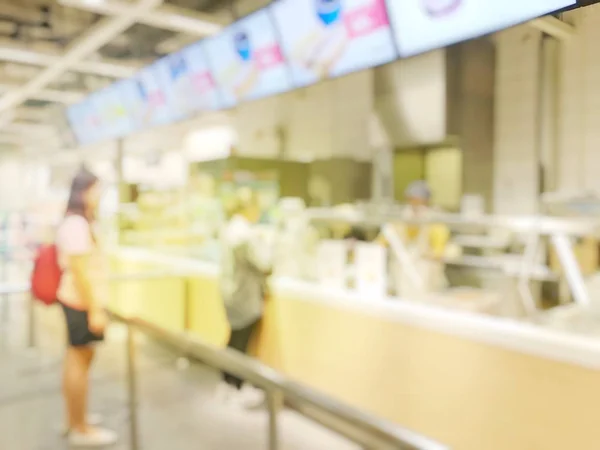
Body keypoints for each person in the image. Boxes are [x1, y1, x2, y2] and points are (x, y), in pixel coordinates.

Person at [57, 167, 117, 447]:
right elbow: (81, 272)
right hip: (80, 302)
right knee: (78, 362)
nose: (99, 195)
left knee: (79, 360)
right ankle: (79, 427)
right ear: (83, 191)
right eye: (96, 189)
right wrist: (94, 308)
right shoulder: (77, 225)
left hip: (77, 301)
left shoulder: (77, 222)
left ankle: (76, 418)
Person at [218, 189, 272, 406]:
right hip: (244, 296)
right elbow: (264, 263)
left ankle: (228, 384)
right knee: (240, 343)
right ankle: (236, 386)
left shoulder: (230, 229)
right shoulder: (244, 235)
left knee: (234, 340)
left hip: (231, 293)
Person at [379, 181, 450, 298]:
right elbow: (382, 241)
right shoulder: (400, 219)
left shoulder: (435, 221)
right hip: (400, 276)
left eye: (418, 200)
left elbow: (439, 253)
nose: (414, 204)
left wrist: (422, 257)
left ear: (427, 201)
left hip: (426, 277)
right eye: (411, 200)